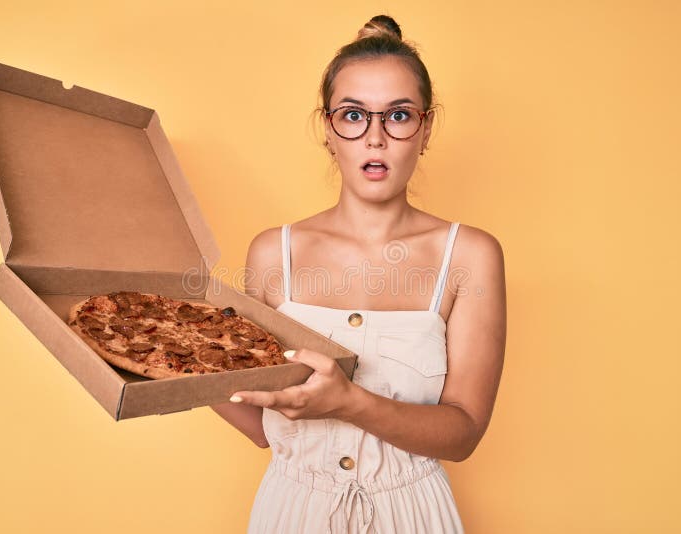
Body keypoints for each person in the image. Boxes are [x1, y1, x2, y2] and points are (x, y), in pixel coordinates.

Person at [210, 14, 506, 534]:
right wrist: (172, 367)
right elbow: (261, 426)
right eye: (352, 115)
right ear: (329, 129)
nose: (375, 137)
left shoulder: (470, 256)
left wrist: (351, 403)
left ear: (426, 127)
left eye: (397, 115)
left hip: (413, 515)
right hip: (291, 511)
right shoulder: (271, 254)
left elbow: (463, 434)